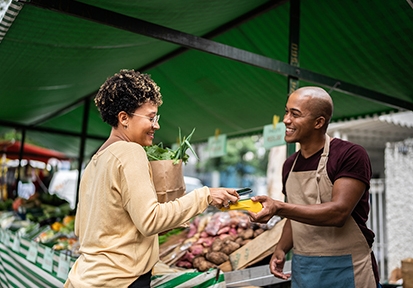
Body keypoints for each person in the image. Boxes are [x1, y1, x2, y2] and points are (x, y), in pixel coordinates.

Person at [64, 69, 239, 288]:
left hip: (87, 278)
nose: (156, 125)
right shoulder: (130, 152)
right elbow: (149, 221)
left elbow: (83, 228)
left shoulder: (95, 162)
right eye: (150, 117)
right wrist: (205, 196)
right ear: (124, 118)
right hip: (121, 281)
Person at [249, 86, 380, 288]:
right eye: (286, 111)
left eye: (295, 114)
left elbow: (338, 213)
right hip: (304, 268)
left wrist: (279, 207)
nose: (286, 120)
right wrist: (281, 248)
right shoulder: (289, 165)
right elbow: (296, 214)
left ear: (319, 122)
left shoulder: (350, 155)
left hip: (347, 269)